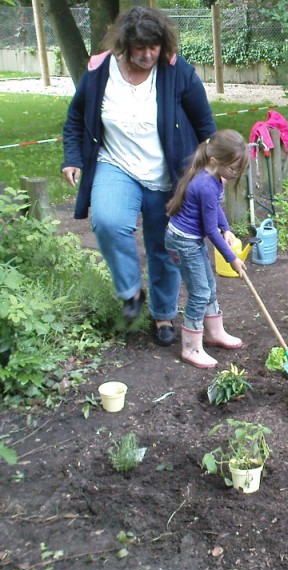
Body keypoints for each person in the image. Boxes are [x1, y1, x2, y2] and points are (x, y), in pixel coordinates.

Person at [61, 6, 217, 346]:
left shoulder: (177, 72)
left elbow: (205, 124)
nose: (148, 54)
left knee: (166, 246)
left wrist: (210, 168)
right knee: (108, 221)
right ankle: (131, 292)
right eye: (140, 47)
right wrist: (72, 158)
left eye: (155, 46)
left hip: (169, 174)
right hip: (117, 165)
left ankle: (163, 315)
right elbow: (75, 118)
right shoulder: (100, 72)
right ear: (125, 45)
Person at [164, 130, 248, 369]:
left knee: (209, 286)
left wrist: (227, 228)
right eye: (233, 169)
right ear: (214, 161)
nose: (235, 174)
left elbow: (215, 210)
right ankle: (191, 347)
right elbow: (210, 231)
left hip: (190, 240)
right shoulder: (205, 184)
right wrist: (232, 258)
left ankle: (214, 333)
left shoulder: (214, 178)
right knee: (200, 292)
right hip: (183, 243)